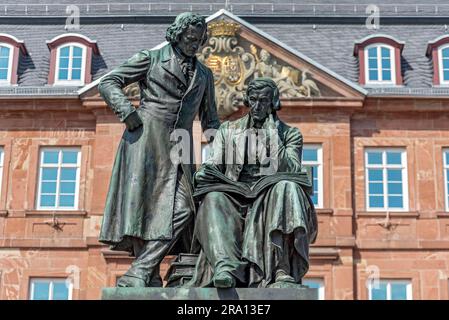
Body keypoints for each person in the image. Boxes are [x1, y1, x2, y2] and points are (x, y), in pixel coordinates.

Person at [98, 12, 220, 287]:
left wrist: (232, 153)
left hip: (182, 149)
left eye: (199, 40)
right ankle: (147, 274)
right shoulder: (151, 59)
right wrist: (127, 111)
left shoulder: (204, 74)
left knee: (186, 208)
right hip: (146, 141)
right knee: (144, 208)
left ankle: (140, 270)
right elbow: (108, 82)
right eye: (191, 39)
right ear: (177, 35)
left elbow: (211, 121)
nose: (195, 45)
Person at [186, 78, 317, 288]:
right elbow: (213, 164)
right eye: (253, 100)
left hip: (269, 197)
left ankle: (281, 269)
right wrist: (204, 174)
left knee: (286, 187)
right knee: (213, 198)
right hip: (234, 195)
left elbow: (292, 168)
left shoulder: (290, 134)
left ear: (273, 103)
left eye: (263, 101)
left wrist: (272, 137)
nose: (257, 106)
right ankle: (225, 267)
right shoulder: (228, 130)